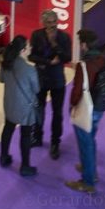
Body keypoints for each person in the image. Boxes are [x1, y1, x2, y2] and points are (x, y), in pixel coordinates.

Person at [67, 29, 105, 194]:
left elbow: (77, 90)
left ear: (84, 45)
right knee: (91, 139)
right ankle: (90, 168)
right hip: (100, 107)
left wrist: (72, 106)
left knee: (85, 144)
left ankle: (88, 182)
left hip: (87, 108)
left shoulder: (83, 65)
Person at [29, 10, 71, 159]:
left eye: (54, 22)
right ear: (43, 23)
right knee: (38, 109)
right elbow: (31, 56)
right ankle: (37, 136)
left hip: (57, 80)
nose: (52, 25)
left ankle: (55, 143)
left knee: (57, 113)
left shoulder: (64, 37)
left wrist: (54, 44)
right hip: (40, 80)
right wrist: (48, 62)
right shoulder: (36, 35)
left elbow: (67, 57)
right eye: (49, 22)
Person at [0, 35, 40, 177]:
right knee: (25, 135)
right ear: (22, 51)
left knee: (8, 129)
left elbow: (1, 79)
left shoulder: (6, 63)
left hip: (9, 103)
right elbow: (37, 89)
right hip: (25, 107)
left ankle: (4, 156)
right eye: (28, 46)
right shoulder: (30, 69)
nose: (30, 48)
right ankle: (25, 166)